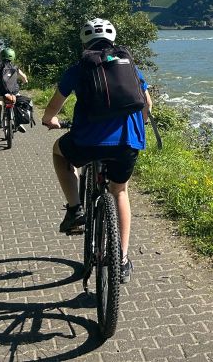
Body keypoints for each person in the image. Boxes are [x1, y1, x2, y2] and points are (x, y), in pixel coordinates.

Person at [41, 18, 151, 284]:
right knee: (119, 191)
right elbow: (146, 103)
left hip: (87, 141)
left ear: (85, 42)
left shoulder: (79, 68)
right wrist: (143, 122)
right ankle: (122, 260)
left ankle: (75, 208)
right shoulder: (130, 66)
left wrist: (49, 120)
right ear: (113, 40)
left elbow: (55, 105)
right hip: (128, 142)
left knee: (59, 152)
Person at [0, 48, 28, 131]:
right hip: (14, 93)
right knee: (18, 103)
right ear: (13, 57)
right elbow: (24, 78)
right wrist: (25, 82)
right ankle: (19, 122)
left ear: (1, 56)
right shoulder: (15, 67)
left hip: (1, 93)